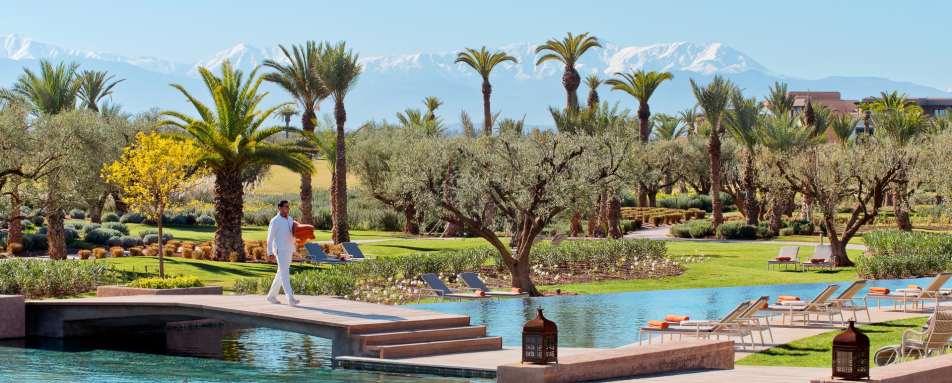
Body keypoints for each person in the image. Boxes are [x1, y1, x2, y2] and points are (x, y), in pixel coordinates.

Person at [266, 200, 299, 306]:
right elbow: (270, 238)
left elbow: (292, 236)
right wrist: (270, 252)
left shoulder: (290, 220)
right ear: (279, 208)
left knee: (281, 273)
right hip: (280, 251)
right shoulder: (275, 221)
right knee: (285, 274)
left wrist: (294, 250)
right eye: (285, 207)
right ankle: (290, 298)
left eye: (288, 207)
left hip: (288, 250)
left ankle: (271, 296)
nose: (287, 209)